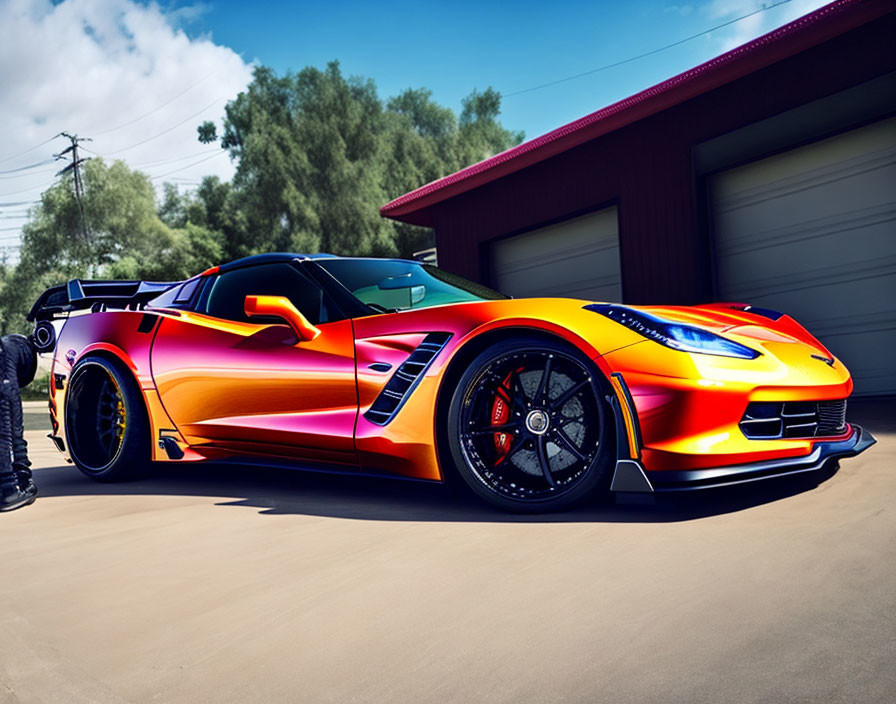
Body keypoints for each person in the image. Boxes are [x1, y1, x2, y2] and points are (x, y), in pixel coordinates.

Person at [0, 333, 38, 512]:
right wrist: (21, 468)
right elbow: (12, 425)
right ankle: (7, 491)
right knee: (5, 425)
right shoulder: (8, 354)